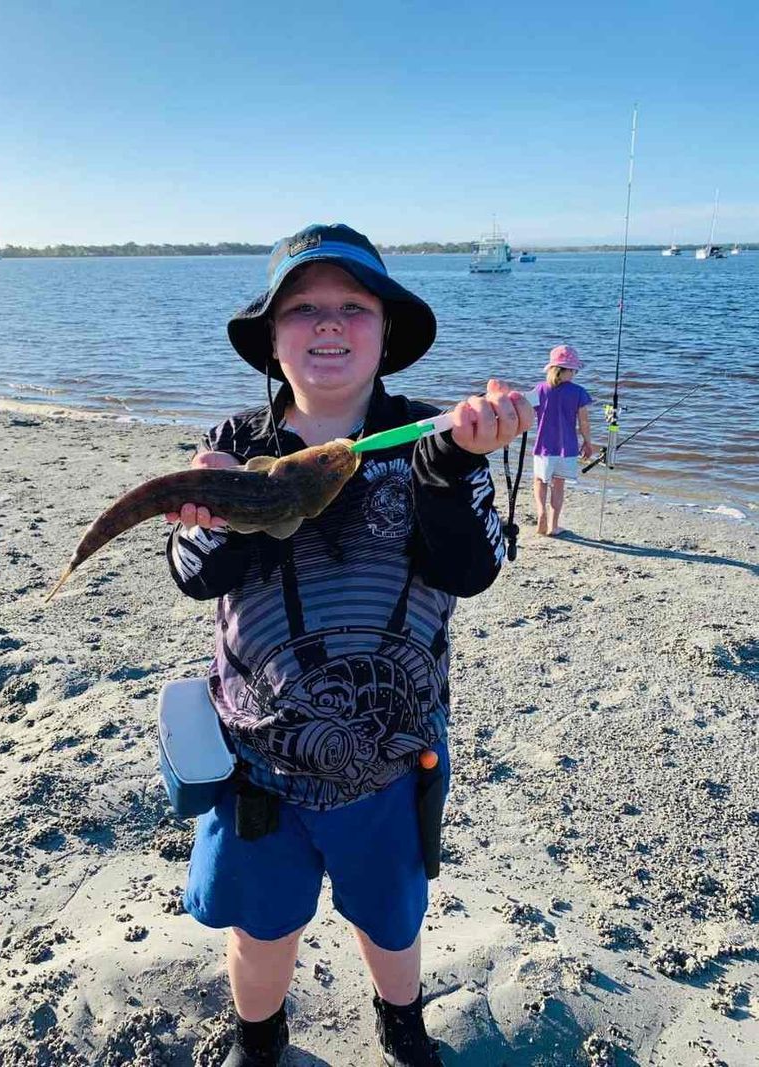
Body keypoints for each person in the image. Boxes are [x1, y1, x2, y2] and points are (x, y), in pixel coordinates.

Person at [164, 223, 533, 1067]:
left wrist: (459, 466)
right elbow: (191, 571)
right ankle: (262, 1036)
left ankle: (401, 1021)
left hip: (394, 759)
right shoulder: (238, 442)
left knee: (391, 919)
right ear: (272, 336)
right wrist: (227, 505)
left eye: (352, 307)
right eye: (303, 309)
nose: (328, 324)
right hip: (257, 761)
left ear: (386, 331)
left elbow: (475, 566)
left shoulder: (432, 440)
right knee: (263, 932)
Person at [531, 344, 594, 537]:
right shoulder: (578, 392)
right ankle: (553, 525)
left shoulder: (540, 389)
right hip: (567, 449)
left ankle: (541, 512)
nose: (575, 373)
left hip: (543, 447)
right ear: (567, 370)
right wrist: (587, 442)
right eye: (574, 370)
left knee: (540, 481)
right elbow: (584, 422)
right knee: (558, 484)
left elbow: (526, 414)